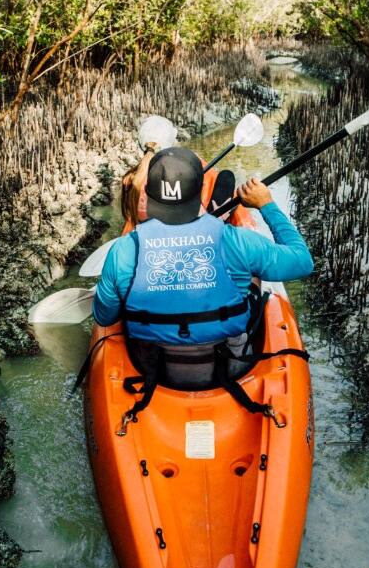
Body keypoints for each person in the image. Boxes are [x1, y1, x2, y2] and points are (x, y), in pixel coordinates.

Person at [93, 146, 313, 390]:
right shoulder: (237, 240)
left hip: (153, 367)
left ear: (149, 193)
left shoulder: (123, 250)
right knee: (252, 277)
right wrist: (266, 205)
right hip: (232, 364)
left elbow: (105, 316)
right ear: (200, 191)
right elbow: (302, 261)